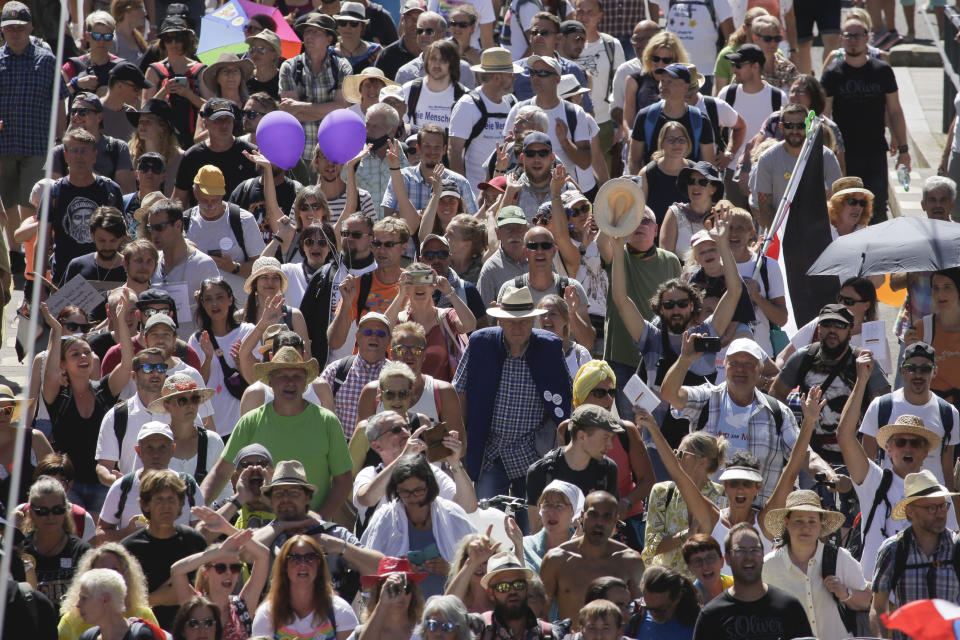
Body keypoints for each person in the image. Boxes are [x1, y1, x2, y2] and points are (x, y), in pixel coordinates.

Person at [661, 335, 836, 504]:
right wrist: (684, 360)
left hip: (759, 518)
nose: (740, 369)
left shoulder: (778, 412)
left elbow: (806, 456)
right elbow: (670, 394)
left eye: (748, 364)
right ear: (725, 366)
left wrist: (829, 474)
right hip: (707, 514)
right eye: (734, 363)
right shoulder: (707, 398)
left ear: (760, 370)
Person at [453, 285, 572, 513]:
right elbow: (459, 393)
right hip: (490, 448)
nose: (517, 326)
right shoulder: (481, 343)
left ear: (533, 322)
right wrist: (463, 439)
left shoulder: (550, 347)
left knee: (531, 526)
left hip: (532, 451)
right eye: (511, 321)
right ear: (500, 322)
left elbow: (566, 400)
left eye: (524, 321)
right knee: (486, 519)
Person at [838, 349, 949, 580]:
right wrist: (862, 382)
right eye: (900, 442)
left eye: (916, 443)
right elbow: (845, 436)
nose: (907, 448)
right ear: (888, 448)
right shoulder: (873, 480)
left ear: (926, 452)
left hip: (916, 599)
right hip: (872, 600)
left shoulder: (937, 496)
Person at [203, 346, 352, 518]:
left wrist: (320, 520)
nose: (290, 382)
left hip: (309, 535)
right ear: (270, 382)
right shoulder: (250, 421)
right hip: (257, 529)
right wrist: (197, 507)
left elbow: (343, 479)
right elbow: (221, 472)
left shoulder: (328, 422)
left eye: (297, 376)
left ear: (305, 383)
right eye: (282, 376)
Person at [41, 294, 133, 513]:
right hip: (68, 484)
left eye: (87, 353)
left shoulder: (104, 390)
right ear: (63, 363)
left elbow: (128, 362)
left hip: (102, 483)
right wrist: (55, 329)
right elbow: (52, 372)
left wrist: (120, 321)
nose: (83, 357)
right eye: (75, 354)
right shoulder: (58, 394)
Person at [771, 304, 890, 473]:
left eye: (839, 325)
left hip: (855, 460)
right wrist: (791, 432)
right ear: (819, 329)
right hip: (812, 459)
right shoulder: (804, 357)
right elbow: (776, 394)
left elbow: (885, 407)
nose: (832, 330)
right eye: (827, 324)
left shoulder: (863, 362)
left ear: (850, 331)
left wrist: (869, 456)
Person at [821, 14, 909, 224]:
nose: (853, 40)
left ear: (867, 36)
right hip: (843, 154)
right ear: (841, 39)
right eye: (848, 36)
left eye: (858, 35)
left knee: (877, 209)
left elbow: (895, 110)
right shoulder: (833, 73)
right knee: (844, 208)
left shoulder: (882, 70)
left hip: (874, 151)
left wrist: (904, 149)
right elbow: (824, 115)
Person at [0, 0, 68, 264]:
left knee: (31, 200)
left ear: (30, 27)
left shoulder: (47, 60)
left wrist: (60, 138)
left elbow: (60, 100)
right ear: (2, 30)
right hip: (4, 142)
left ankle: (29, 249)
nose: (15, 32)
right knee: (6, 201)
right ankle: (15, 253)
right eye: (10, 27)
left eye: (20, 26)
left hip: (37, 141)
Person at [601, 202, 680, 421]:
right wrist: (615, 214)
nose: (639, 225)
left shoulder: (671, 261)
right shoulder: (618, 254)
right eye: (633, 221)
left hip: (660, 359)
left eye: (644, 220)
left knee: (657, 426)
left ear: (655, 229)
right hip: (623, 360)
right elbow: (602, 242)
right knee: (632, 429)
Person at [361, 454, 477, 597]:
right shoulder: (384, 519)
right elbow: (368, 580)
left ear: (430, 487)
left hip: (449, 608)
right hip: (400, 611)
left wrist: (451, 569)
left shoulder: (452, 514)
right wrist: (399, 571)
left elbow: (479, 569)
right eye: (405, 492)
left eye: (418, 490)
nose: (413, 497)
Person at [761, 489, 871, 639]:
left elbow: (866, 600)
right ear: (787, 523)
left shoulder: (840, 558)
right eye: (798, 521)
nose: (806, 527)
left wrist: (844, 593)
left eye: (812, 521)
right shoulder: (769, 566)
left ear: (820, 524)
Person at [353, 409, 474, 536]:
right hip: (382, 552)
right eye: (396, 430)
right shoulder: (370, 473)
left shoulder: (429, 470)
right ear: (377, 446)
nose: (405, 433)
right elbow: (366, 499)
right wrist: (402, 458)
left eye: (407, 427)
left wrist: (455, 463)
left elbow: (468, 507)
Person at [871, 469, 960, 640]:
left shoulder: (957, 548)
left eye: (943, 506)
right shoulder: (893, 550)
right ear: (910, 511)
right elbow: (878, 607)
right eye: (932, 508)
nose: (941, 513)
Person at [859, 341, 960, 490]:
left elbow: (947, 471)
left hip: (931, 505)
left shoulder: (949, 413)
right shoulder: (880, 407)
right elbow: (866, 465)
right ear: (902, 371)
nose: (918, 374)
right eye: (911, 368)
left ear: (935, 372)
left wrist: (951, 509)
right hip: (890, 503)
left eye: (925, 369)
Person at [691, 523, 813, 640]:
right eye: (740, 550)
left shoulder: (790, 607)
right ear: (727, 558)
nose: (748, 557)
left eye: (754, 550)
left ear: (762, 555)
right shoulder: (711, 616)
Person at [121, 469, 209, 630]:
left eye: (171, 499)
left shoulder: (195, 542)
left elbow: (205, 592)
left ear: (180, 503)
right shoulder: (128, 549)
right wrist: (157, 598)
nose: (166, 506)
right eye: (159, 500)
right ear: (145, 504)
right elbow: (121, 601)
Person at [540, 491, 644, 622]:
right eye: (593, 515)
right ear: (583, 516)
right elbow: (541, 615)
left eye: (606, 516)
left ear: (615, 521)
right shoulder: (557, 559)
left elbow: (639, 617)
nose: (599, 522)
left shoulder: (630, 561)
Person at [98, 421, 205, 541]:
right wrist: (126, 533)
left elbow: (201, 533)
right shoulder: (122, 486)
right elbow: (100, 534)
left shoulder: (188, 485)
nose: (156, 455)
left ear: (172, 449)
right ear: (138, 451)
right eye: (149, 447)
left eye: (162, 447)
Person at [46, 128, 125, 285]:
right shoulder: (54, 192)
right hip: (65, 279)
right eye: (74, 150)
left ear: (95, 155)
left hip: (108, 279)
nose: (79, 156)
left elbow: (122, 236)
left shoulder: (111, 190)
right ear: (65, 156)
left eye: (85, 151)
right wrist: (40, 287)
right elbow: (42, 243)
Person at [504, 56, 594, 194]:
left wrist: (565, 142)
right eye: (533, 73)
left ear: (557, 79)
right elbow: (505, 158)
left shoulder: (575, 112)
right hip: (524, 194)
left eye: (543, 74)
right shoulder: (519, 110)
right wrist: (514, 144)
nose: (535, 78)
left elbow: (585, 163)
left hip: (562, 194)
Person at [641, 433, 727, 575]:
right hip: (665, 581)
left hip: (705, 583)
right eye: (675, 452)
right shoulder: (663, 492)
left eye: (681, 453)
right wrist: (685, 536)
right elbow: (650, 547)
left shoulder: (723, 497)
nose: (675, 457)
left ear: (702, 462)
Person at [498, 224, 594, 348]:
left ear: (554, 251)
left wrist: (571, 313)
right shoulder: (510, 289)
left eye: (545, 246)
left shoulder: (571, 288)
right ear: (525, 251)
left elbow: (588, 343)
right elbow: (501, 341)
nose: (539, 251)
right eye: (533, 246)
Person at [750, 103, 842, 229]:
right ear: (781, 127)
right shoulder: (767, 159)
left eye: (801, 126)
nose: (795, 131)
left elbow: (836, 200)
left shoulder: (827, 157)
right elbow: (764, 205)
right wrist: (779, 235)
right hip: (780, 232)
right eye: (789, 126)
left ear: (809, 126)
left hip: (818, 231)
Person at [526, 405, 621, 527]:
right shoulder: (541, 472)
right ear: (582, 436)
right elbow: (537, 531)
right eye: (605, 437)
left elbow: (610, 526)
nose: (610, 445)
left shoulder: (608, 470)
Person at [279, 13, 353, 169]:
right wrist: (329, 110)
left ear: (329, 39)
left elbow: (341, 109)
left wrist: (299, 106)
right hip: (299, 154)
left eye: (316, 32)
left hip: (335, 153)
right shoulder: (289, 67)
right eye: (307, 32)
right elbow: (289, 113)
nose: (309, 36)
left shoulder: (341, 67)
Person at [251, 534, 359, 638]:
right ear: (284, 566)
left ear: (319, 565)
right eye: (295, 558)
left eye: (310, 557)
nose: (303, 564)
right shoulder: (267, 614)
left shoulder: (340, 611)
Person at [171, 528, 270, 639]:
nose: (228, 573)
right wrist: (218, 551)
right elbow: (176, 571)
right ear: (206, 572)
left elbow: (264, 555)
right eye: (220, 568)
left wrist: (225, 527)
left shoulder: (242, 607)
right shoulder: (195, 605)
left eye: (235, 568)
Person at [188, 278, 255, 439]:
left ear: (230, 299)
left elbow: (258, 379)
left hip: (244, 421)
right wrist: (208, 358)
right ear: (202, 303)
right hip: (212, 425)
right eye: (208, 299)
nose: (214, 304)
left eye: (219, 297)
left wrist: (242, 362)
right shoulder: (197, 339)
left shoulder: (247, 331)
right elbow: (197, 385)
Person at [448, 47, 520, 194]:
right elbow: (454, 151)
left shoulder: (512, 102)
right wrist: (463, 192)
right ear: (497, 77)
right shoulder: (467, 104)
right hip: (476, 192)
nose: (514, 78)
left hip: (507, 193)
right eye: (510, 74)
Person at [146, 198, 220, 338]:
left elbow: (219, 314)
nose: (154, 234)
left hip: (193, 349)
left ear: (178, 225)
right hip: (159, 346)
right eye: (151, 228)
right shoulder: (152, 261)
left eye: (159, 227)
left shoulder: (203, 264)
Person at [94, 347, 168, 485]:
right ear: (134, 376)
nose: (156, 373)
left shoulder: (180, 408)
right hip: (133, 497)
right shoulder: (117, 415)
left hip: (174, 497)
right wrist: (114, 480)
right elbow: (104, 465)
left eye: (161, 367)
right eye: (148, 368)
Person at [628, 62, 715, 174]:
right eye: (662, 81)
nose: (664, 86)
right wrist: (640, 188)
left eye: (670, 82)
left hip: (688, 189)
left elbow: (708, 166)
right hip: (653, 189)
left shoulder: (700, 120)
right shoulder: (645, 117)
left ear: (686, 87)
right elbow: (634, 161)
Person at [58, 544, 158, 640]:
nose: (109, 574)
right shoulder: (70, 621)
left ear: (126, 576)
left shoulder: (144, 617)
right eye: (102, 569)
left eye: (115, 569)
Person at [20, 476, 92, 611]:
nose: (50, 517)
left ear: (65, 511)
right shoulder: (21, 551)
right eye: (42, 511)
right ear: (31, 513)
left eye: (57, 510)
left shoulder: (82, 552)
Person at [173, 100, 259, 209]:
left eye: (227, 119)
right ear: (205, 123)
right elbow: (179, 200)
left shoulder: (251, 154)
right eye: (217, 120)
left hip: (242, 222)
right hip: (203, 222)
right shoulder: (192, 156)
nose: (224, 125)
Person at [148, 373, 224, 493]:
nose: (190, 405)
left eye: (194, 399)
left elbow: (225, 490)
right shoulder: (153, 443)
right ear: (167, 406)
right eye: (182, 400)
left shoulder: (213, 441)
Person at [320, 312, 391, 438]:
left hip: (382, 454)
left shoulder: (397, 376)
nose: (374, 337)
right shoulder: (335, 371)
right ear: (357, 337)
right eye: (368, 333)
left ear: (389, 340)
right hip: (341, 452)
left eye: (380, 334)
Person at [142, 17, 205, 150]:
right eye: (168, 39)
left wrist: (188, 94)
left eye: (178, 38)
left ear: (186, 40)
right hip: (163, 137)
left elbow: (211, 106)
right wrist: (164, 91)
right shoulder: (154, 70)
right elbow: (144, 109)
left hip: (193, 137)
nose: (173, 43)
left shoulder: (199, 70)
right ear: (163, 42)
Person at [647, 0, 733, 94]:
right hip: (672, 75)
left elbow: (730, 35)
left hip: (705, 75)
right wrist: (655, 29)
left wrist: (721, 66)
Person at [620, 31, 688, 139]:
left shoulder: (683, 83)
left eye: (666, 60)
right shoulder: (634, 81)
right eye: (655, 58)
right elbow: (628, 121)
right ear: (648, 56)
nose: (660, 64)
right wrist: (632, 142)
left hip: (675, 143)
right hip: (642, 142)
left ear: (676, 61)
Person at [474, 552, 554, 638]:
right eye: (503, 587)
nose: (512, 591)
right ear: (491, 593)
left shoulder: (547, 633)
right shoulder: (479, 628)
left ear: (527, 587)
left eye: (518, 584)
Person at [240, 257, 310, 352]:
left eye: (275, 277)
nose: (270, 282)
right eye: (264, 277)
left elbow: (306, 356)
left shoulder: (294, 316)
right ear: (255, 283)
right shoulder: (240, 317)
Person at [0, 384, 53, 505]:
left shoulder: (34, 438)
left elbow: (57, 477)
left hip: (36, 517)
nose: (2, 415)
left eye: (7, 410)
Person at [660, 162, 723, 260]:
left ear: (713, 189)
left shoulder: (722, 215)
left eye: (702, 182)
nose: (695, 186)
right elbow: (665, 258)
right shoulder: (675, 213)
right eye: (691, 181)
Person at [72, 569, 159, 640]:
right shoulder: (87, 637)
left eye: (84, 598)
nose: (78, 604)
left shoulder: (141, 636)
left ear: (105, 600)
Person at [395, 11, 475, 87]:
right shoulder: (404, 73)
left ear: (442, 34)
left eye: (429, 31)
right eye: (420, 31)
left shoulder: (463, 69)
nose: (423, 35)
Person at [354, 557, 426, 640]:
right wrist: (383, 603)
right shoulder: (360, 632)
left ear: (413, 594)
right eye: (393, 589)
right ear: (379, 593)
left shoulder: (427, 632)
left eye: (406, 589)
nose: (400, 595)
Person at [520, 479, 584, 573]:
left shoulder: (585, 547)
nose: (551, 512)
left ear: (573, 512)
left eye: (559, 506)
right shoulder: (524, 545)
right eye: (547, 505)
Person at [639, 122, 694, 226]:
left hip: (690, 239)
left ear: (687, 143)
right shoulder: (647, 173)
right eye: (671, 140)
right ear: (662, 143)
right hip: (655, 239)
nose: (677, 144)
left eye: (681, 140)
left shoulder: (696, 172)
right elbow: (638, 211)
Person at [476, 206, 529, 307]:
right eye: (508, 229)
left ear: (527, 230)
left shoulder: (541, 258)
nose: (514, 234)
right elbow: (485, 316)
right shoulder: (490, 269)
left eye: (519, 228)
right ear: (497, 233)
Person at [127, 99, 183, 196]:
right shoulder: (130, 154)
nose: (142, 125)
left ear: (163, 127)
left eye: (148, 121)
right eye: (141, 121)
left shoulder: (179, 158)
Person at [100, 62, 150, 142]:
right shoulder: (92, 111)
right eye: (136, 88)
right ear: (119, 85)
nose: (140, 93)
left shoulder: (132, 115)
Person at [375, 0, 424, 80]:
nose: (415, 22)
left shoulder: (433, 53)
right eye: (410, 17)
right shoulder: (386, 55)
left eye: (420, 17)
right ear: (403, 20)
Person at [332, 2, 382, 73]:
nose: (347, 27)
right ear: (338, 25)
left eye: (353, 23)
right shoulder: (329, 53)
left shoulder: (376, 52)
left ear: (362, 27)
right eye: (343, 22)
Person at [681, 534, 731, 604]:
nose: (705, 566)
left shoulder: (739, 587)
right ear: (690, 568)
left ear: (722, 561)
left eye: (710, 558)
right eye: (698, 561)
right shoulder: (689, 601)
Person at [245, 29, 282, 100]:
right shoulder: (245, 78)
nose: (255, 54)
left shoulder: (283, 80)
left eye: (261, 49)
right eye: (252, 49)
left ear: (274, 54)